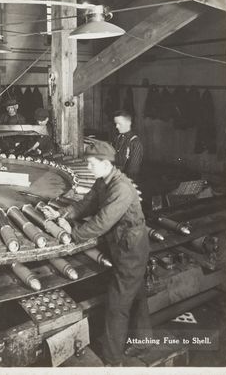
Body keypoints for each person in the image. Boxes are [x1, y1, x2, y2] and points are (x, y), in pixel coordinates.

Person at [40, 141, 151, 367]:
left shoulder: (122, 189)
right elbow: (87, 204)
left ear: (105, 163)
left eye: (91, 164)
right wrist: (63, 213)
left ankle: (113, 360)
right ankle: (144, 340)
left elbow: (102, 221)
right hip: (121, 244)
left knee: (117, 304)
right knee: (136, 293)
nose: (89, 168)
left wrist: (73, 233)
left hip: (131, 249)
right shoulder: (103, 181)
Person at [112, 110, 143, 182]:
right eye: (116, 124)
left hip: (125, 182)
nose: (116, 126)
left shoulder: (135, 143)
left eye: (119, 124)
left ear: (128, 123)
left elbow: (132, 173)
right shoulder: (117, 138)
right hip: (114, 177)